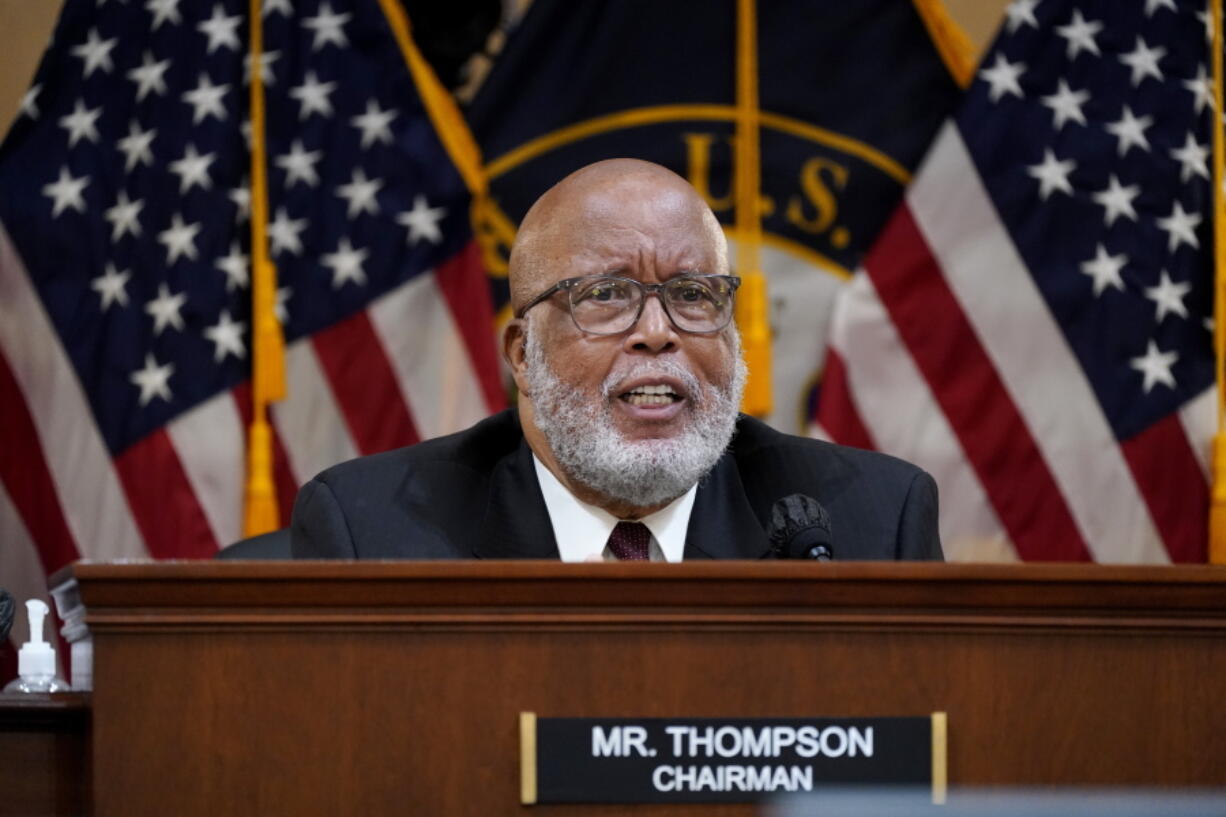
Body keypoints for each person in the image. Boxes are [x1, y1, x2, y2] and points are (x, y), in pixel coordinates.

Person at [290, 159, 942, 561]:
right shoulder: (374, 535)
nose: (656, 333)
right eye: (605, 295)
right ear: (523, 353)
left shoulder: (871, 524)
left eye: (692, 294)